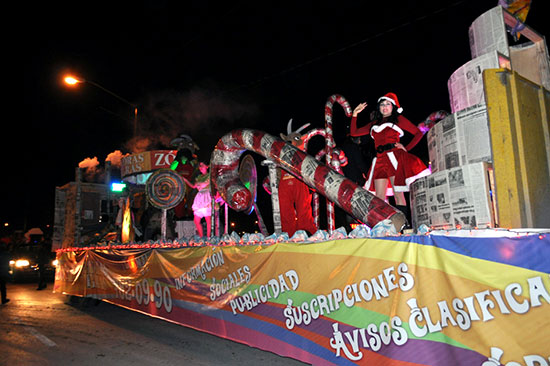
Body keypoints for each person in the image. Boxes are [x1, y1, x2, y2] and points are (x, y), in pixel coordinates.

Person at [350, 92, 430, 219]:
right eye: (382, 104)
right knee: (379, 197)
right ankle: (383, 225)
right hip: (380, 160)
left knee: (398, 195)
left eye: (388, 104)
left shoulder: (398, 120)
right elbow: (354, 133)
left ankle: (403, 225)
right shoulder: (374, 123)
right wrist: (355, 114)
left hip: (393, 158)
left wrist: (406, 148)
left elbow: (418, 133)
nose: (384, 107)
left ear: (393, 106)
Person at [182, 162, 212, 237]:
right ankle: (202, 237)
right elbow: (193, 186)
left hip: (206, 195)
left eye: (202, 165)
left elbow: (209, 183)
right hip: (199, 196)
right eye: (199, 166)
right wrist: (185, 180)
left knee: (208, 219)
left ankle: (208, 238)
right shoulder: (199, 177)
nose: (200, 167)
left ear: (207, 166)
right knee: (196, 220)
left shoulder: (210, 175)